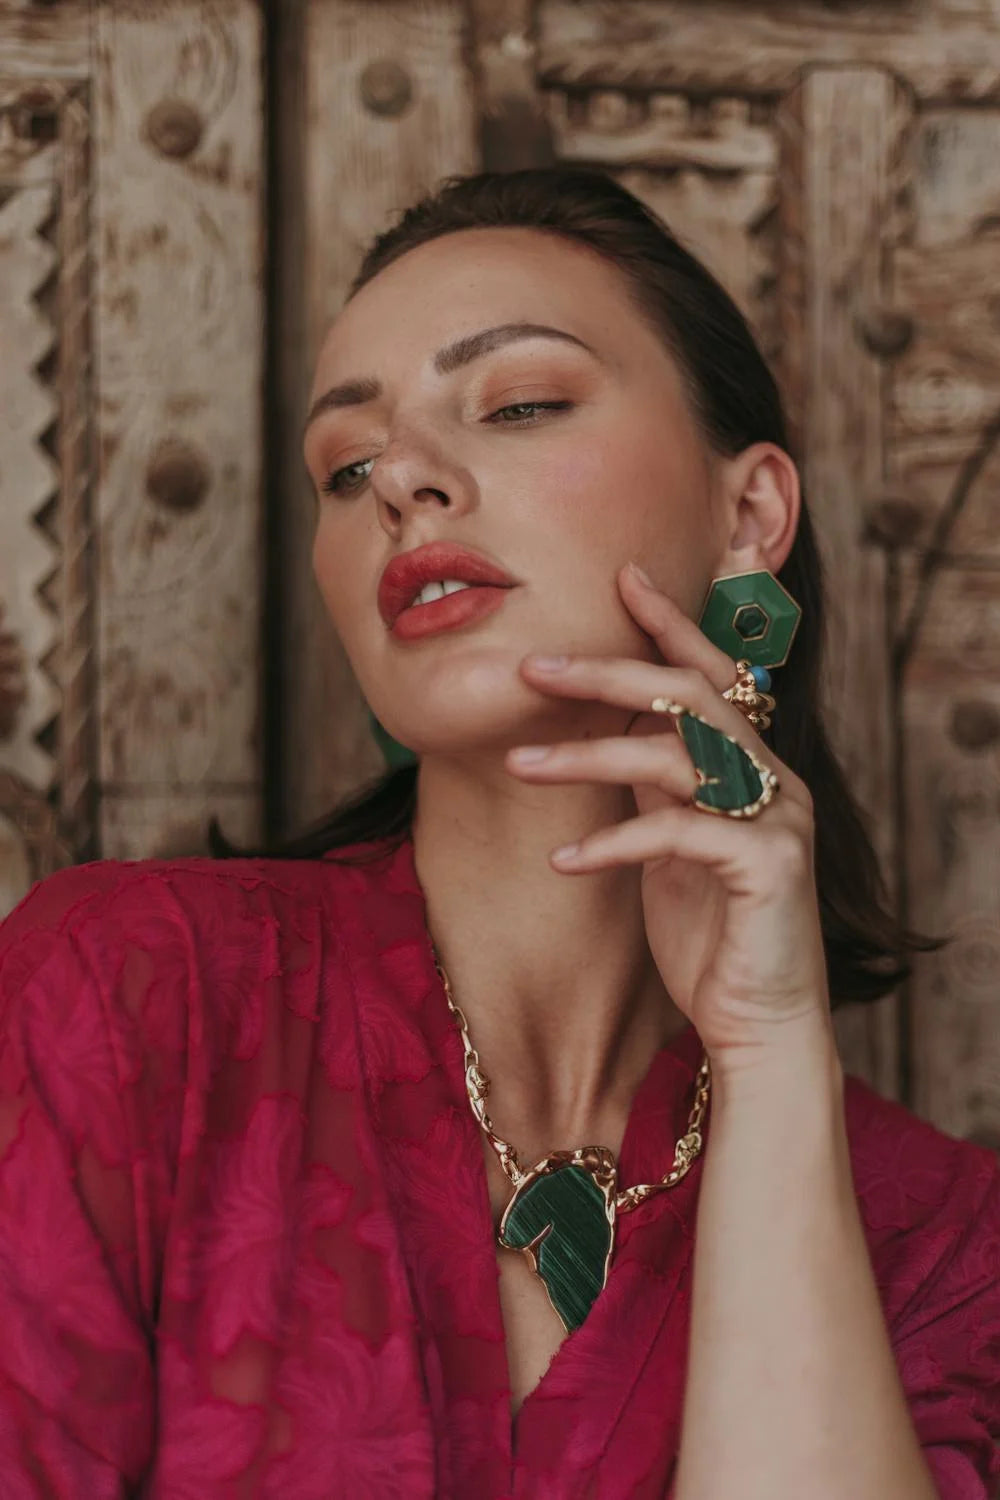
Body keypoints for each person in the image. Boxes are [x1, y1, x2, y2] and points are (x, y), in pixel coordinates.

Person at [0, 167, 996, 1499]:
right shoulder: (127, 999)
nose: (400, 477)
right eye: (345, 467)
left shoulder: (935, 1241)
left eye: (520, 402)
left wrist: (769, 1060)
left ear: (751, 513)